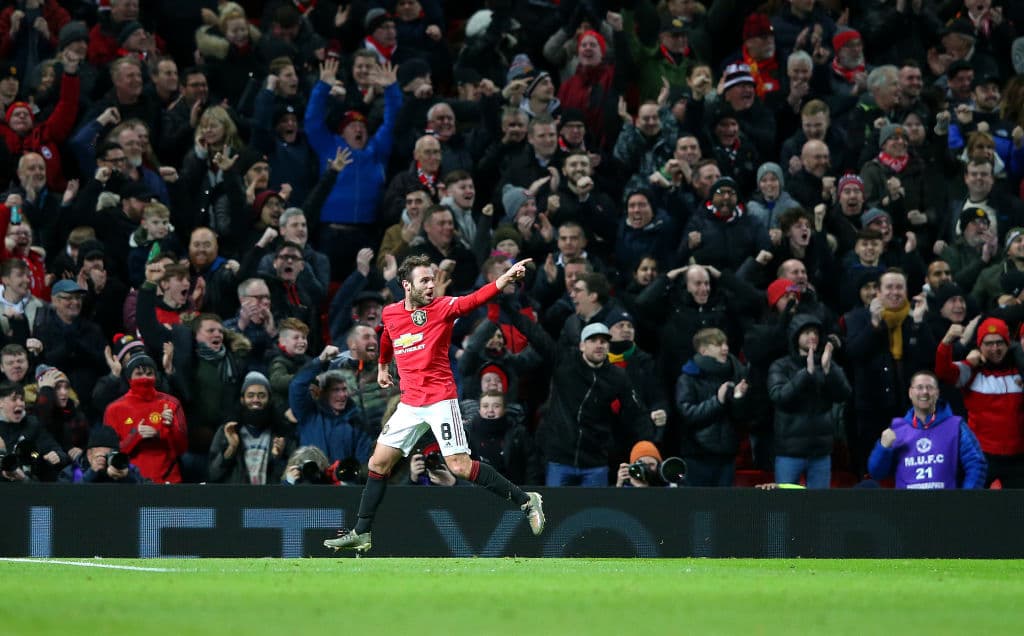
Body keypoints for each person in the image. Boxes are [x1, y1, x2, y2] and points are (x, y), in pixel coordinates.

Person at [324, 255, 544, 553]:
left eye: (432, 279)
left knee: (460, 467)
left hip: (440, 399)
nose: (431, 285)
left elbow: (473, 299)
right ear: (407, 286)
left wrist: (503, 279)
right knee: (378, 463)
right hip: (409, 403)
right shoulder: (390, 313)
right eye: (424, 280)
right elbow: (388, 336)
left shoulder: (442, 308)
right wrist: (382, 366)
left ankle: (526, 500)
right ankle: (362, 532)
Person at [767, 314, 851, 488]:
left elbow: (844, 394)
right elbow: (779, 397)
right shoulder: (780, 366)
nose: (812, 336)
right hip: (789, 452)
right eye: (806, 332)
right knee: (785, 506)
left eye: (815, 332)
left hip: (821, 451)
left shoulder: (827, 363)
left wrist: (829, 371)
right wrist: (806, 374)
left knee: (819, 508)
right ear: (795, 336)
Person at [868, 370, 987, 489]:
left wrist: (965, 501)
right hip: (906, 506)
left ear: (937, 393)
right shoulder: (896, 429)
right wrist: (883, 448)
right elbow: (877, 473)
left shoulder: (956, 426)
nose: (924, 392)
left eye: (929, 387)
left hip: (946, 505)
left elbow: (976, 465)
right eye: (919, 387)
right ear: (910, 393)